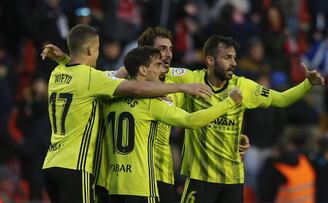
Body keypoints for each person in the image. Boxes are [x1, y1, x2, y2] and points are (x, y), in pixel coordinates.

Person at [41, 26, 251, 203]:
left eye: (169, 50)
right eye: (159, 54)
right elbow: (190, 119)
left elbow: (85, 74)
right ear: (143, 64)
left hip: (109, 180)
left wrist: (233, 136)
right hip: (140, 183)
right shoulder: (154, 97)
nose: (166, 56)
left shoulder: (103, 91)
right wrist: (227, 103)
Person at [164, 35, 324, 203]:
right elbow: (158, 73)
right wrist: (179, 86)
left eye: (234, 57)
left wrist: (307, 84)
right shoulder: (191, 79)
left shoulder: (243, 86)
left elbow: (281, 99)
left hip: (232, 180)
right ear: (210, 60)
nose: (233, 62)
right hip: (199, 179)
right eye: (227, 57)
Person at [103, 46, 242, 203]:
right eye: (157, 65)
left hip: (113, 185)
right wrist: (229, 103)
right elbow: (191, 121)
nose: (162, 70)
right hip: (142, 187)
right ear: (142, 70)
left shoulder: (109, 96)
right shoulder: (152, 102)